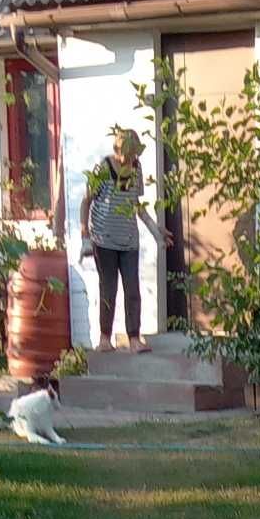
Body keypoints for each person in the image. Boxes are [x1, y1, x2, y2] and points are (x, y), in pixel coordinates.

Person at [82, 128, 160, 353]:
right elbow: (85, 202)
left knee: (132, 288)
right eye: (130, 154)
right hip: (104, 239)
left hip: (128, 240)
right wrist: (84, 235)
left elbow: (134, 205)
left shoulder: (134, 169)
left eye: (135, 155)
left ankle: (134, 338)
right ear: (119, 151)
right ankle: (105, 339)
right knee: (108, 289)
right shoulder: (104, 168)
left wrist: (156, 231)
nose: (133, 158)